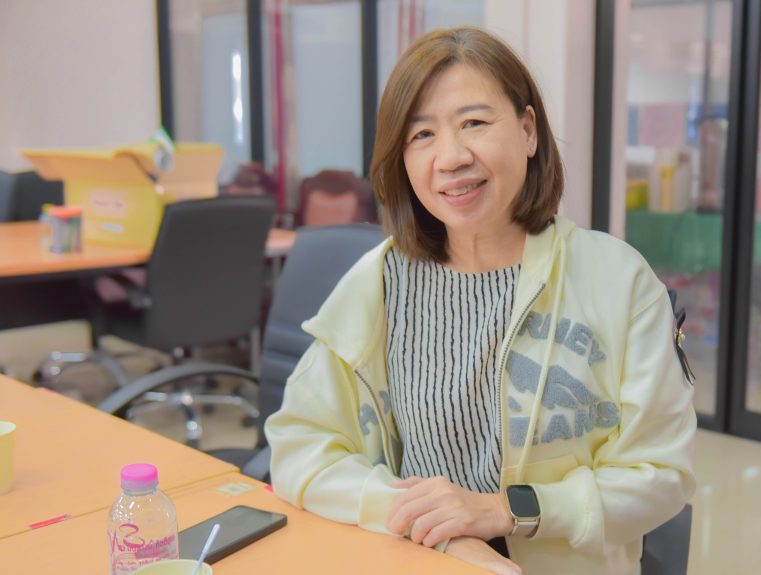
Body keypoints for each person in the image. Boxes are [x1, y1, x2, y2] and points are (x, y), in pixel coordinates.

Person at [265, 26, 696, 575]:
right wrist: (432, 528)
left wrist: (504, 511)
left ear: (528, 130)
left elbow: (661, 474)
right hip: (417, 559)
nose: (450, 157)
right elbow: (299, 443)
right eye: (422, 134)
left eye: (474, 123)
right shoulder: (379, 282)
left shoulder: (618, 280)